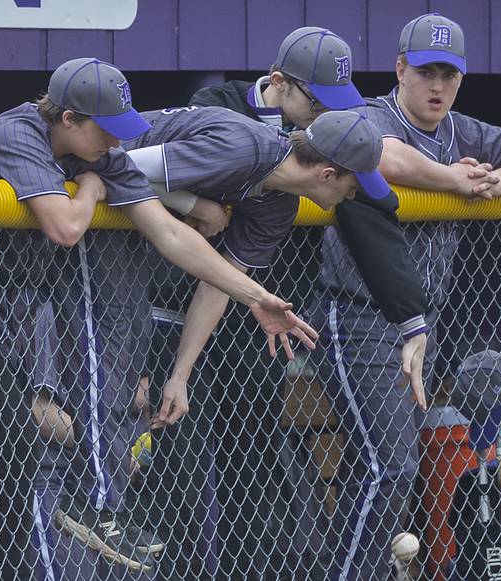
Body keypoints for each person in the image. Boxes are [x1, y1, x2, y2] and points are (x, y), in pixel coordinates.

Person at [0, 57, 318, 574]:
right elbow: (66, 228)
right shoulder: (19, 128)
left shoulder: (105, 155)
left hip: (17, 303)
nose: (118, 142)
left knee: (3, 474)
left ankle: (99, 504)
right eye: (108, 130)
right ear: (69, 119)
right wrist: (93, 190)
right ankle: (95, 500)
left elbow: (170, 234)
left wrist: (255, 296)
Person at [136, 27, 431, 579]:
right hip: (97, 227)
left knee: (247, 467)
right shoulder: (239, 135)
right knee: (164, 473)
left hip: (220, 313)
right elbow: (119, 168)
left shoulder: (278, 200)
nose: (318, 117)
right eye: (316, 102)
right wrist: (203, 205)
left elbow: (221, 280)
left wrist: (183, 370)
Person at [311, 14, 501, 580]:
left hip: (424, 321)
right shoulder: (373, 114)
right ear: (401, 69)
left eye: (449, 74)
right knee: (389, 466)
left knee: (380, 467)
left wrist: (496, 181)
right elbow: (377, 153)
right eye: (426, 71)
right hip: (358, 314)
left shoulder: (461, 130)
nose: (438, 85)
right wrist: (454, 179)